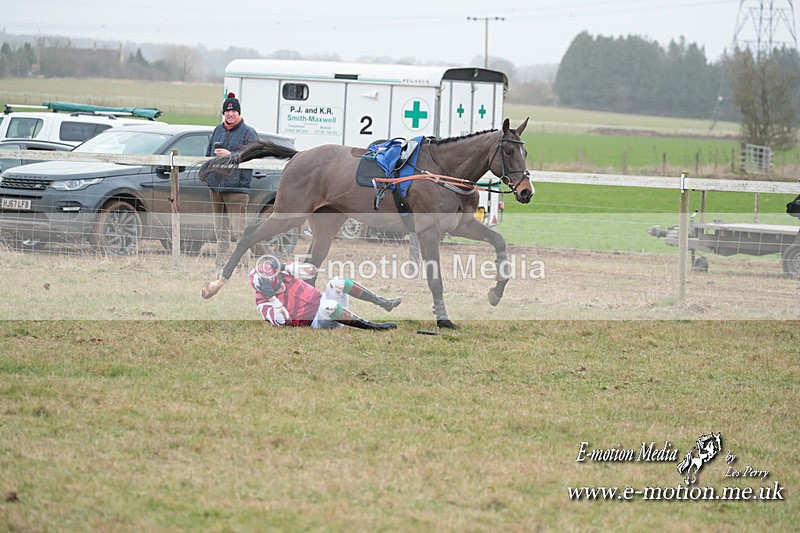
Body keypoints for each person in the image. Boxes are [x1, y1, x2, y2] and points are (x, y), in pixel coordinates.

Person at [249, 258, 401, 330]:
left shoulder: (284, 272)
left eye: (281, 279)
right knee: (329, 306)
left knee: (337, 282)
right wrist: (273, 299)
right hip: (318, 320)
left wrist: (284, 266)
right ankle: (373, 327)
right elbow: (282, 320)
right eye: (277, 286)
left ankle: (383, 302)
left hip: (323, 299)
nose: (282, 285)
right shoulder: (263, 304)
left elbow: (313, 270)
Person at [204, 92, 259, 269]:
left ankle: (243, 266)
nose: (230, 114)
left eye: (233, 111)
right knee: (220, 231)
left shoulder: (248, 133)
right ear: (224, 113)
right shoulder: (217, 130)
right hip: (216, 188)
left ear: (239, 113)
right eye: (227, 111)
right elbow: (206, 155)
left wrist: (231, 156)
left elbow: (254, 156)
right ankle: (220, 265)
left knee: (239, 231)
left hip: (237, 189)